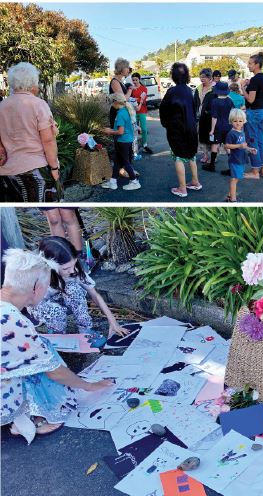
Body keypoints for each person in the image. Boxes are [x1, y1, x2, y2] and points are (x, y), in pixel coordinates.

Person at [1, 249, 113, 442]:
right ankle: (34, 414)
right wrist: (89, 386)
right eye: (46, 286)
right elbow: (54, 371)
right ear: (36, 288)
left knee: (41, 346)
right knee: (46, 358)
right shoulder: (13, 321)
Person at [29, 236, 129, 344]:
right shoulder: (38, 275)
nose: (72, 271)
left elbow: (94, 295)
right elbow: (32, 302)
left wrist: (113, 322)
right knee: (56, 313)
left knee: (73, 288)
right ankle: (56, 333)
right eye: (66, 268)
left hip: (62, 302)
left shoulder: (74, 271)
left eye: (74, 264)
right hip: (42, 306)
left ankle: (85, 330)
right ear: (50, 265)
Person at [0, 62, 61, 202]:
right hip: (35, 170)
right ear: (33, 82)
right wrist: (54, 168)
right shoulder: (38, 105)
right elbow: (48, 140)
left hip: (7, 173)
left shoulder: (1, 106)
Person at [159, 62, 201, 198]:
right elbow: (195, 109)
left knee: (178, 157)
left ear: (173, 76)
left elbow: (163, 110)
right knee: (191, 155)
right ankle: (195, 181)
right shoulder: (190, 91)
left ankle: (182, 189)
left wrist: (166, 124)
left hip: (177, 130)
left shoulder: (171, 92)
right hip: (191, 128)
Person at [101, 94, 141, 191]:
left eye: (111, 101)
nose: (111, 104)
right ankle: (113, 182)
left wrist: (109, 131)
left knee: (125, 162)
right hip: (126, 140)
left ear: (116, 102)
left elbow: (120, 131)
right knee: (117, 161)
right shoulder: (126, 111)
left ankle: (134, 181)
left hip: (122, 140)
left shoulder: (121, 114)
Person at [241, 52, 263, 180]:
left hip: (254, 112)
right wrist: (249, 84)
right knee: (260, 141)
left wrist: (243, 88)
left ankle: (255, 172)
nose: (248, 66)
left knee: (252, 142)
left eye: (250, 63)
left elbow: (251, 99)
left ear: (257, 64)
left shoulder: (255, 79)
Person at [224, 108, 257, 202]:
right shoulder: (231, 133)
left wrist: (250, 149)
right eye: (235, 121)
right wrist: (239, 145)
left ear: (244, 121)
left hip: (241, 159)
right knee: (234, 179)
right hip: (235, 160)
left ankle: (230, 196)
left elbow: (243, 145)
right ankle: (233, 200)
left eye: (240, 121)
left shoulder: (241, 132)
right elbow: (226, 146)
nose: (238, 123)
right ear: (231, 121)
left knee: (238, 177)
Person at [205, 82, 235, 173]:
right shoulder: (229, 100)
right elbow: (232, 113)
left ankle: (212, 165)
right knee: (228, 146)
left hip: (218, 127)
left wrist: (212, 130)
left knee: (215, 145)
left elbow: (214, 117)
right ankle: (232, 168)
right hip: (228, 127)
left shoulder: (215, 101)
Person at [194, 68, 214, 164]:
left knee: (211, 138)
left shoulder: (215, 89)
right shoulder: (198, 88)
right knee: (201, 137)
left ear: (210, 78)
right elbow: (195, 102)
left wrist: (209, 111)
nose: (202, 79)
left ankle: (213, 157)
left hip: (211, 118)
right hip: (200, 117)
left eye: (204, 77)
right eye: (201, 77)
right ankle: (205, 155)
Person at [130, 73, 153, 155]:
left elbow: (143, 99)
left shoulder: (144, 88)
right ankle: (134, 148)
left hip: (142, 111)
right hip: (133, 112)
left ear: (139, 79)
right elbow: (130, 99)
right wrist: (138, 99)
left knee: (144, 129)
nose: (135, 81)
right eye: (133, 80)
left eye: (136, 80)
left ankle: (145, 145)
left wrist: (135, 99)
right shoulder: (131, 89)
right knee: (134, 129)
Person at [109, 58, 133, 128]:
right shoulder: (115, 82)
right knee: (120, 138)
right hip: (117, 114)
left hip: (121, 113)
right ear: (121, 69)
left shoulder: (120, 81)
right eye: (127, 67)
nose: (128, 69)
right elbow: (123, 99)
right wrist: (130, 89)